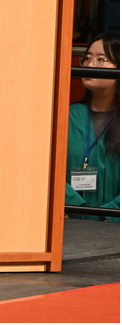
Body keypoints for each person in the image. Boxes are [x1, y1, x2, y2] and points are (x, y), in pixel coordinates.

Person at [65, 32, 119, 221]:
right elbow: (45, 169)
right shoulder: (66, 116)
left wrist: (109, 216)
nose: (89, 65)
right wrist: (70, 206)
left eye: (100, 59)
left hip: (114, 227)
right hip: (69, 222)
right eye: (87, 58)